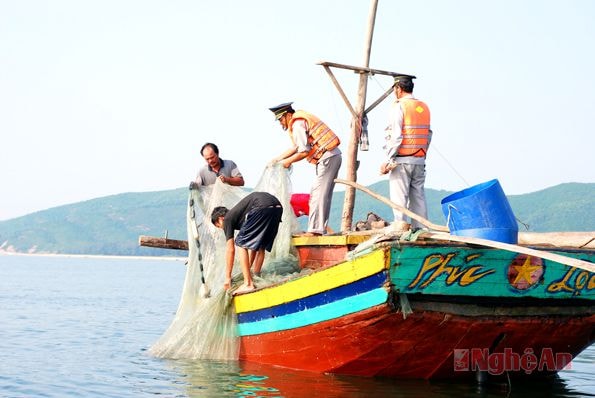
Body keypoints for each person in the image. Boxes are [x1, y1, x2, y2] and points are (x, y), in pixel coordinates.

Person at [269, 102, 342, 236]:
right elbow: (296, 147)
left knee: (317, 195)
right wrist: (277, 159)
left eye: (280, 119)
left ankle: (315, 231)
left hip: (327, 158)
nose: (281, 123)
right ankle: (319, 229)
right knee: (322, 194)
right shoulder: (299, 122)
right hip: (330, 157)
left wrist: (288, 162)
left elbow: (303, 151)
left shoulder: (297, 124)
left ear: (287, 115)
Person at [380, 74, 432, 231]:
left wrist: (388, 160)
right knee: (418, 196)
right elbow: (428, 135)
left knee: (399, 197)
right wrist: (422, 154)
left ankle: (399, 227)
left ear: (398, 89)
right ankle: (421, 229)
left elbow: (396, 136)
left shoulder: (399, 106)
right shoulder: (423, 107)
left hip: (402, 160)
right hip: (419, 159)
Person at [211, 191, 283, 293]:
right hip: (277, 207)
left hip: (261, 206)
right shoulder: (242, 217)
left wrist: (227, 277)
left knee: (240, 243)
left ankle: (248, 284)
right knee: (261, 245)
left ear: (220, 219)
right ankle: (256, 276)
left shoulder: (227, 219)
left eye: (219, 226)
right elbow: (253, 246)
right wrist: (248, 269)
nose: (222, 228)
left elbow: (230, 250)